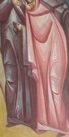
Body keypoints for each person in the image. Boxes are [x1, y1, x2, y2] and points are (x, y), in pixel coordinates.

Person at [24, 0, 69, 135]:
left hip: (55, 54)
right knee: (42, 89)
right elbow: (31, 39)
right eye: (27, 1)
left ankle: (62, 126)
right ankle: (44, 124)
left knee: (54, 88)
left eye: (31, 1)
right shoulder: (29, 15)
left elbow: (55, 37)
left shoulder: (48, 14)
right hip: (41, 58)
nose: (29, 3)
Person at [0, 0, 35, 128]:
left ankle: (28, 116)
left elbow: (31, 18)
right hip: (8, 39)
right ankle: (14, 115)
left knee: (26, 77)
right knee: (12, 77)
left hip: (24, 40)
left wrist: (22, 6)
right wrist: (10, 2)